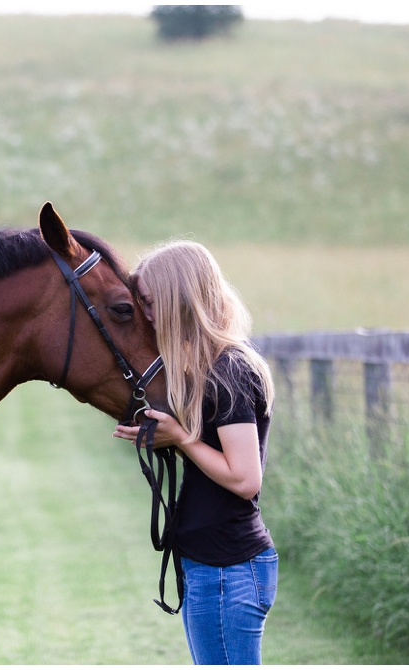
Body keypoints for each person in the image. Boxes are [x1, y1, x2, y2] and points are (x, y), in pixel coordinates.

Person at [113, 240, 278, 666]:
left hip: (229, 568)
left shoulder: (232, 371)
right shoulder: (206, 370)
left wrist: (183, 439)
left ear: (177, 298)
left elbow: (245, 479)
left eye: (149, 302)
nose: (145, 314)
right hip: (212, 565)